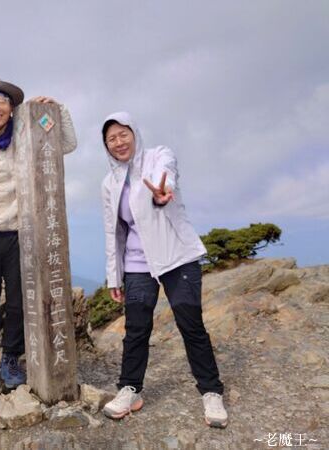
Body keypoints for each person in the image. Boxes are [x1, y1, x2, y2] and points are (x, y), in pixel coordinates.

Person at [99, 111, 228, 428]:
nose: (119, 142)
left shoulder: (159, 156)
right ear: (106, 145)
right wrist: (115, 275)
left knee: (190, 325)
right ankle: (130, 390)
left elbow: (166, 180)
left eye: (123, 134)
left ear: (134, 133)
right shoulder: (109, 183)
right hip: (137, 264)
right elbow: (113, 231)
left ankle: (211, 391)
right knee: (136, 329)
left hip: (176, 257)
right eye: (111, 139)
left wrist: (162, 192)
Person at [0, 79, 77, 389]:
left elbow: (65, 145)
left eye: (1, 101)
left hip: (21, 232)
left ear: (12, 107)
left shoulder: (24, 130)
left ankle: (11, 357)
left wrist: (55, 110)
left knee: (19, 301)